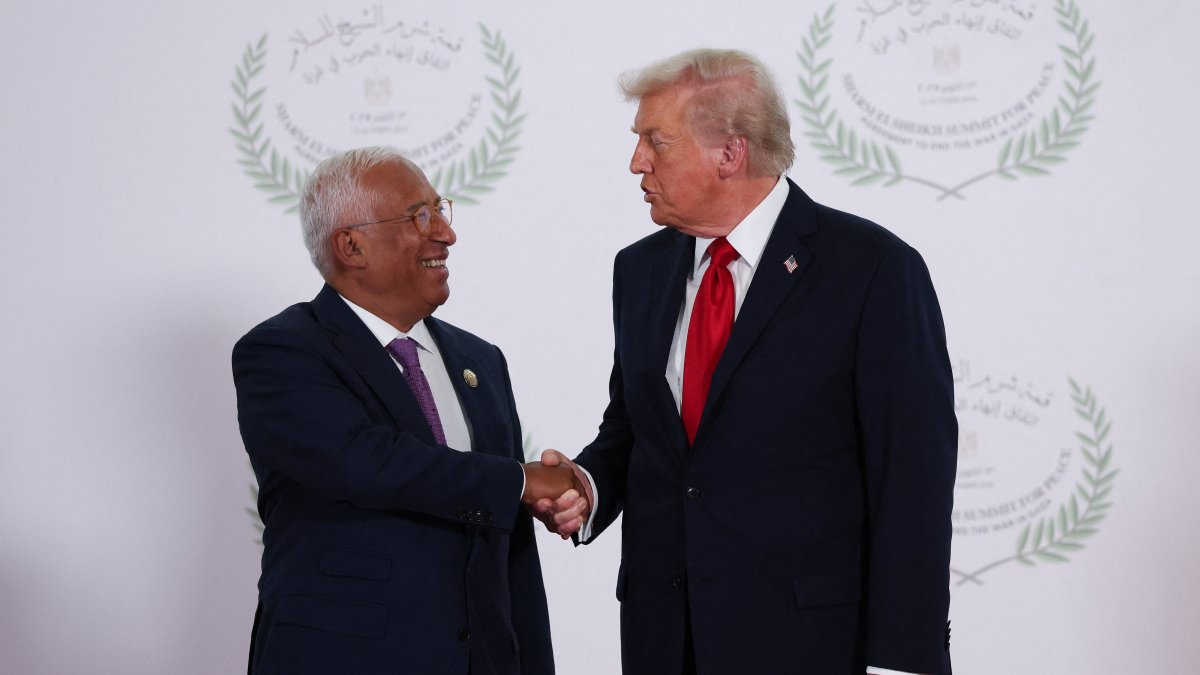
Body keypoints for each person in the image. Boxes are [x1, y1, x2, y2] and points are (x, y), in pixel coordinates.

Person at [538, 49, 957, 674]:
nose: (636, 163)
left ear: (730, 154)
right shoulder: (640, 269)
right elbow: (637, 429)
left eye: (656, 142)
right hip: (664, 640)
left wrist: (905, 660)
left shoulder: (872, 269)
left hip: (809, 644)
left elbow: (912, 477)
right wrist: (588, 487)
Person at [233, 146, 576, 674]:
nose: (445, 233)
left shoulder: (479, 360)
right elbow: (365, 462)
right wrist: (517, 483)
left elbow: (510, 553)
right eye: (421, 215)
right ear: (351, 245)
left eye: (441, 210)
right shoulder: (282, 351)